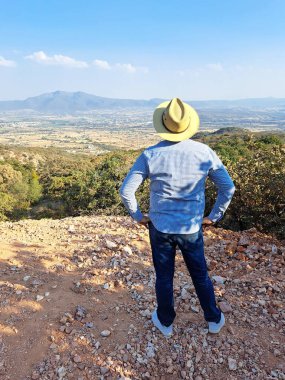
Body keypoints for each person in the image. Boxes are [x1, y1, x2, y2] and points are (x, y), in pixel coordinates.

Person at [119, 98, 235, 337]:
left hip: (160, 227)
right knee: (200, 275)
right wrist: (214, 217)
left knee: (164, 277)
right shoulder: (204, 152)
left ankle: (165, 322)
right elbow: (228, 188)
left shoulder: (150, 154)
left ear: (164, 123)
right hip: (191, 228)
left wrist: (138, 216)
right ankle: (213, 319)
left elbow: (126, 190)